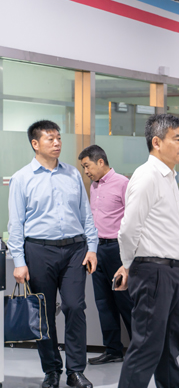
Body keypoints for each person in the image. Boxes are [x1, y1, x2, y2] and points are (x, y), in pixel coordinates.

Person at [8, 120, 98, 388]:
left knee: (75, 307)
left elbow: (86, 214)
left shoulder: (72, 174)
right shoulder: (22, 178)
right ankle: (51, 370)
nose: (57, 142)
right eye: (51, 138)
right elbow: (16, 224)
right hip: (38, 250)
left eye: (59, 137)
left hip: (74, 250)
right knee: (44, 314)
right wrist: (19, 262)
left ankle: (76, 371)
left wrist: (92, 248)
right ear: (35, 144)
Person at [114, 114, 179, 388]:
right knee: (146, 347)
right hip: (154, 273)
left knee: (169, 348)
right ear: (157, 142)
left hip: (173, 272)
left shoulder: (168, 176)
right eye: (177, 139)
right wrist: (128, 265)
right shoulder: (147, 176)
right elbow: (128, 229)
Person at [79, 145, 134, 365]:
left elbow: (132, 218)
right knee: (103, 302)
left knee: (125, 301)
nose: (86, 171)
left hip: (117, 250)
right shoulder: (94, 185)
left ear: (100, 161)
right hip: (96, 249)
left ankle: (140, 350)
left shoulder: (123, 183)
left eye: (87, 166)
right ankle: (113, 350)